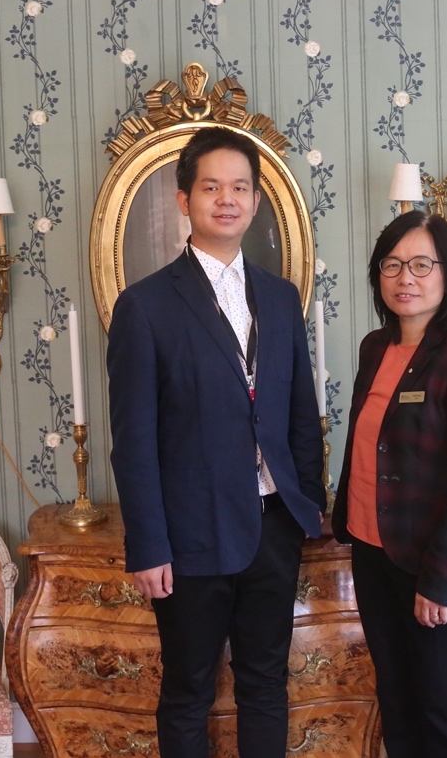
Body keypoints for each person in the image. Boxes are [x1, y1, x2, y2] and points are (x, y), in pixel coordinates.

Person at [106, 126, 326, 758]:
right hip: (189, 535)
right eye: (211, 188)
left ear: (255, 201)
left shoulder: (281, 300)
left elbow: (300, 413)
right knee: (187, 691)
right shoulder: (144, 307)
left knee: (266, 685)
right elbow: (134, 440)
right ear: (184, 200)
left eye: (239, 188)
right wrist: (149, 544)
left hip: (273, 528)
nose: (226, 199)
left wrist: (307, 508)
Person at [331, 210, 447, 758]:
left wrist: (439, 581)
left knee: (440, 706)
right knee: (397, 700)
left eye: (421, 265)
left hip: (435, 563)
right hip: (373, 552)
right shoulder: (374, 348)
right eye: (392, 264)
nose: (405, 277)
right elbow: (369, 445)